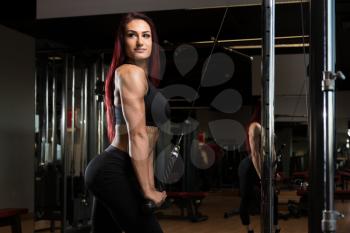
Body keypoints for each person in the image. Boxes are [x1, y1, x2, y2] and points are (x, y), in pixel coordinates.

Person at [85, 12, 169, 233]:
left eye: (146, 35)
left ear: (153, 41)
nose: (141, 42)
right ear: (122, 41)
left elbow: (148, 142)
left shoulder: (143, 78)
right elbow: (137, 135)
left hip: (125, 169)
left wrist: (149, 186)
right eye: (132, 35)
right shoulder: (129, 73)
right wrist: (149, 191)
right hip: (113, 169)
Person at [238, 106, 280, 233]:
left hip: (263, 164)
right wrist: (262, 177)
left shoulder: (269, 128)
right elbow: (255, 154)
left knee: (273, 197)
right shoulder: (255, 126)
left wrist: (273, 172)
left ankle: (276, 227)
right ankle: (249, 229)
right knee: (246, 197)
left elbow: (272, 152)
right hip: (250, 165)